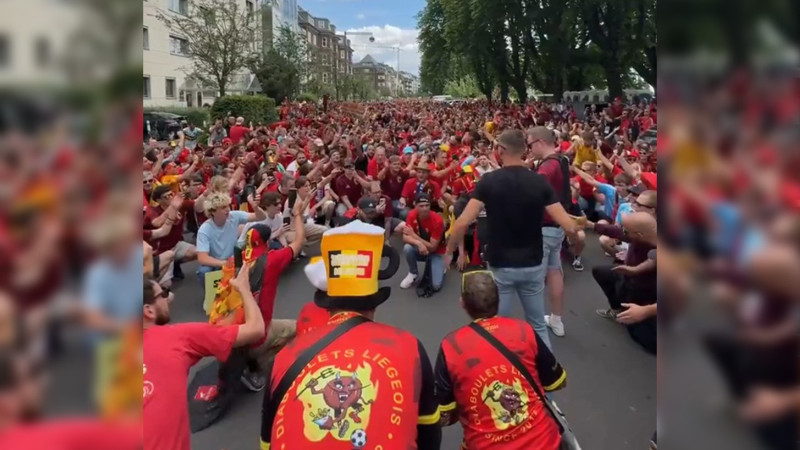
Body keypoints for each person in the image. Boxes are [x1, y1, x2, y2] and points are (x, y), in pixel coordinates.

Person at [259, 221, 441, 449]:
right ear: (374, 303)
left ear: (327, 302)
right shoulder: (409, 347)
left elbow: (267, 443)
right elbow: (429, 436)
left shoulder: (284, 357)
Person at [447, 129, 578, 350]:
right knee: (537, 325)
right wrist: (574, 238)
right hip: (533, 263)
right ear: (523, 149)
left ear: (501, 150)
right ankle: (547, 376)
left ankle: (502, 372)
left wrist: (449, 251)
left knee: (499, 325)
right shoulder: (539, 182)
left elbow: (461, 223)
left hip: (501, 263)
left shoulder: (488, 181)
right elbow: (568, 225)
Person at [435, 271, 567, 449]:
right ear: (498, 300)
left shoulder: (450, 346)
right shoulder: (523, 330)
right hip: (545, 443)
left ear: (462, 304)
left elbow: (444, 415)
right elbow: (557, 382)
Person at [143, 267, 265, 450]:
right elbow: (256, 329)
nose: (169, 298)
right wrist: (243, 289)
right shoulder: (177, 336)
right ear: (148, 311)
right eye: (164, 294)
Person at [586, 212, 657, 354]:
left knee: (647, 340)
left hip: (648, 292)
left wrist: (645, 311)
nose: (622, 232)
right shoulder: (642, 234)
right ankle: (619, 309)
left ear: (640, 235)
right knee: (601, 272)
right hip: (629, 278)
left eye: (626, 230)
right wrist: (591, 225)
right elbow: (617, 232)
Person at [528, 126, 571, 338]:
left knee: (537, 278)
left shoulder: (547, 167)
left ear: (539, 142)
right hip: (558, 226)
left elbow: (536, 192)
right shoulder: (562, 160)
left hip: (543, 227)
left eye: (530, 145)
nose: (529, 149)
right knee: (555, 272)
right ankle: (556, 319)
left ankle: (537, 326)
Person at [196, 191, 266, 289]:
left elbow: (261, 217)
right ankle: (210, 296)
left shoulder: (234, 216)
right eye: (223, 207)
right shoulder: (204, 230)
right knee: (203, 271)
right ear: (213, 211)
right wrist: (223, 263)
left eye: (228, 206)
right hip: (216, 262)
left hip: (234, 258)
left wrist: (255, 207)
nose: (228, 210)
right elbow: (202, 258)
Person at [400, 193, 446, 292]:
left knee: (436, 286)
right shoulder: (412, 215)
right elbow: (405, 237)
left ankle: (442, 267)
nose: (425, 209)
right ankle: (413, 273)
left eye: (427, 205)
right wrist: (419, 244)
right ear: (415, 206)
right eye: (421, 206)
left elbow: (433, 247)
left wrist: (414, 236)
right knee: (407, 248)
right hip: (421, 249)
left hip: (436, 252)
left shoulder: (437, 220)